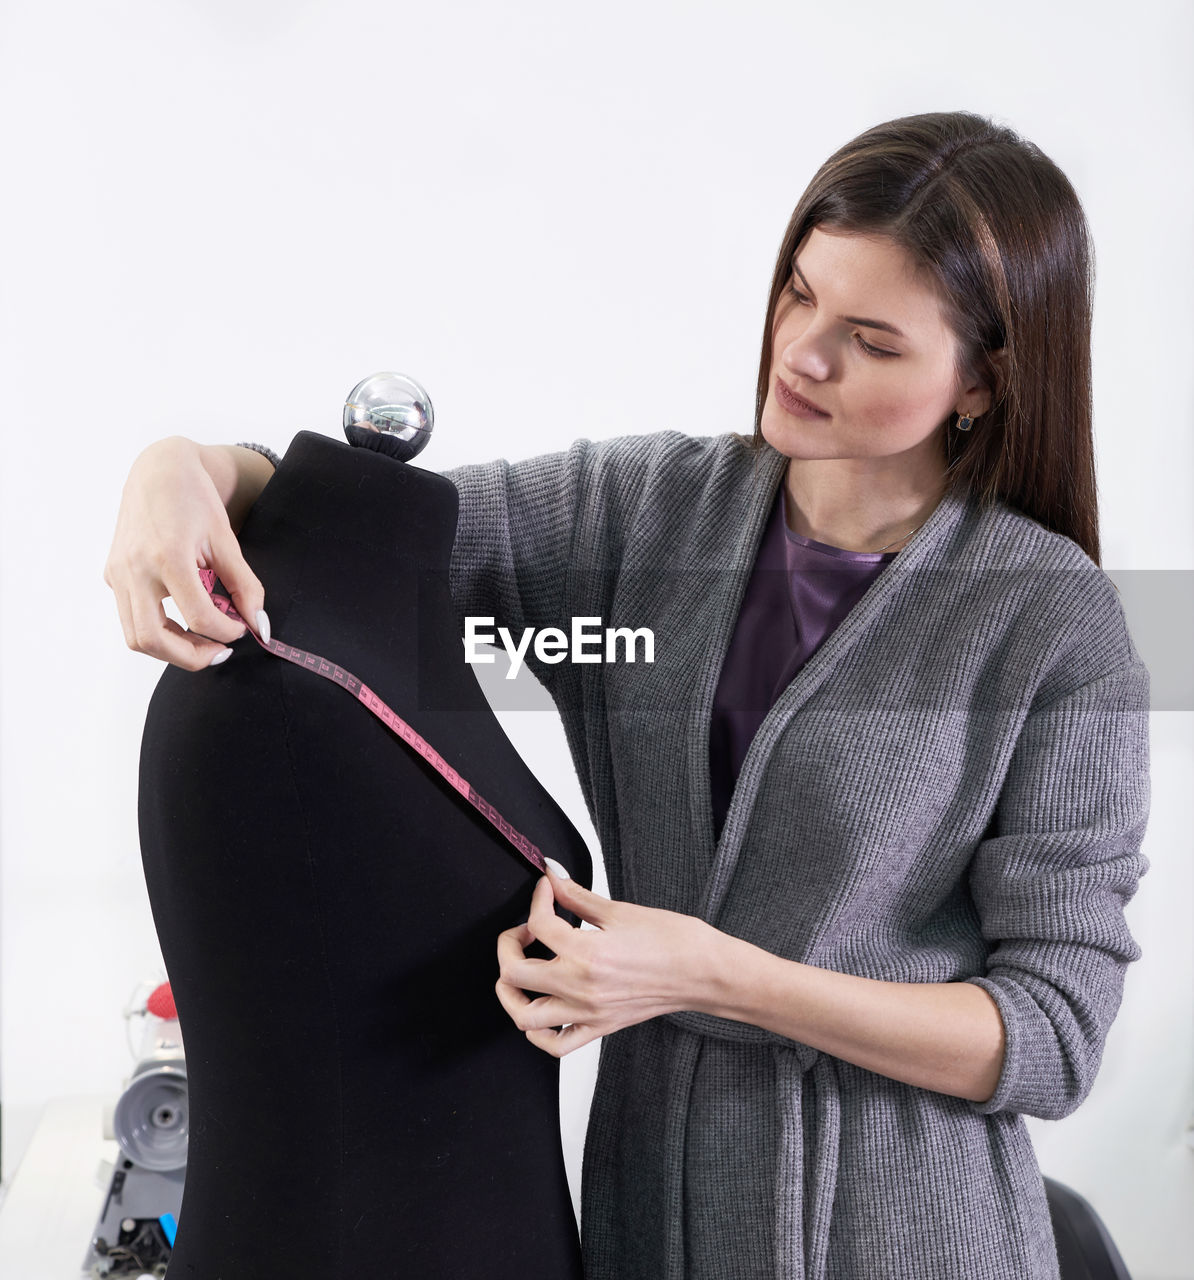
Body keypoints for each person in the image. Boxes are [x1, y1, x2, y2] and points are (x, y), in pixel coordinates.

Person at [105, 111, 1151, 1279]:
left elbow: (1054, 1033)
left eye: (871, 339)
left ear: (981, 384)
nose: (800, 353)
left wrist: (713, 971)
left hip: (913, 1240)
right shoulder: (649, 519)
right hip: (650, 1222)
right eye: (799, 293)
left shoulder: (1050, 623)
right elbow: (376, 546)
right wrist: (184, 469)